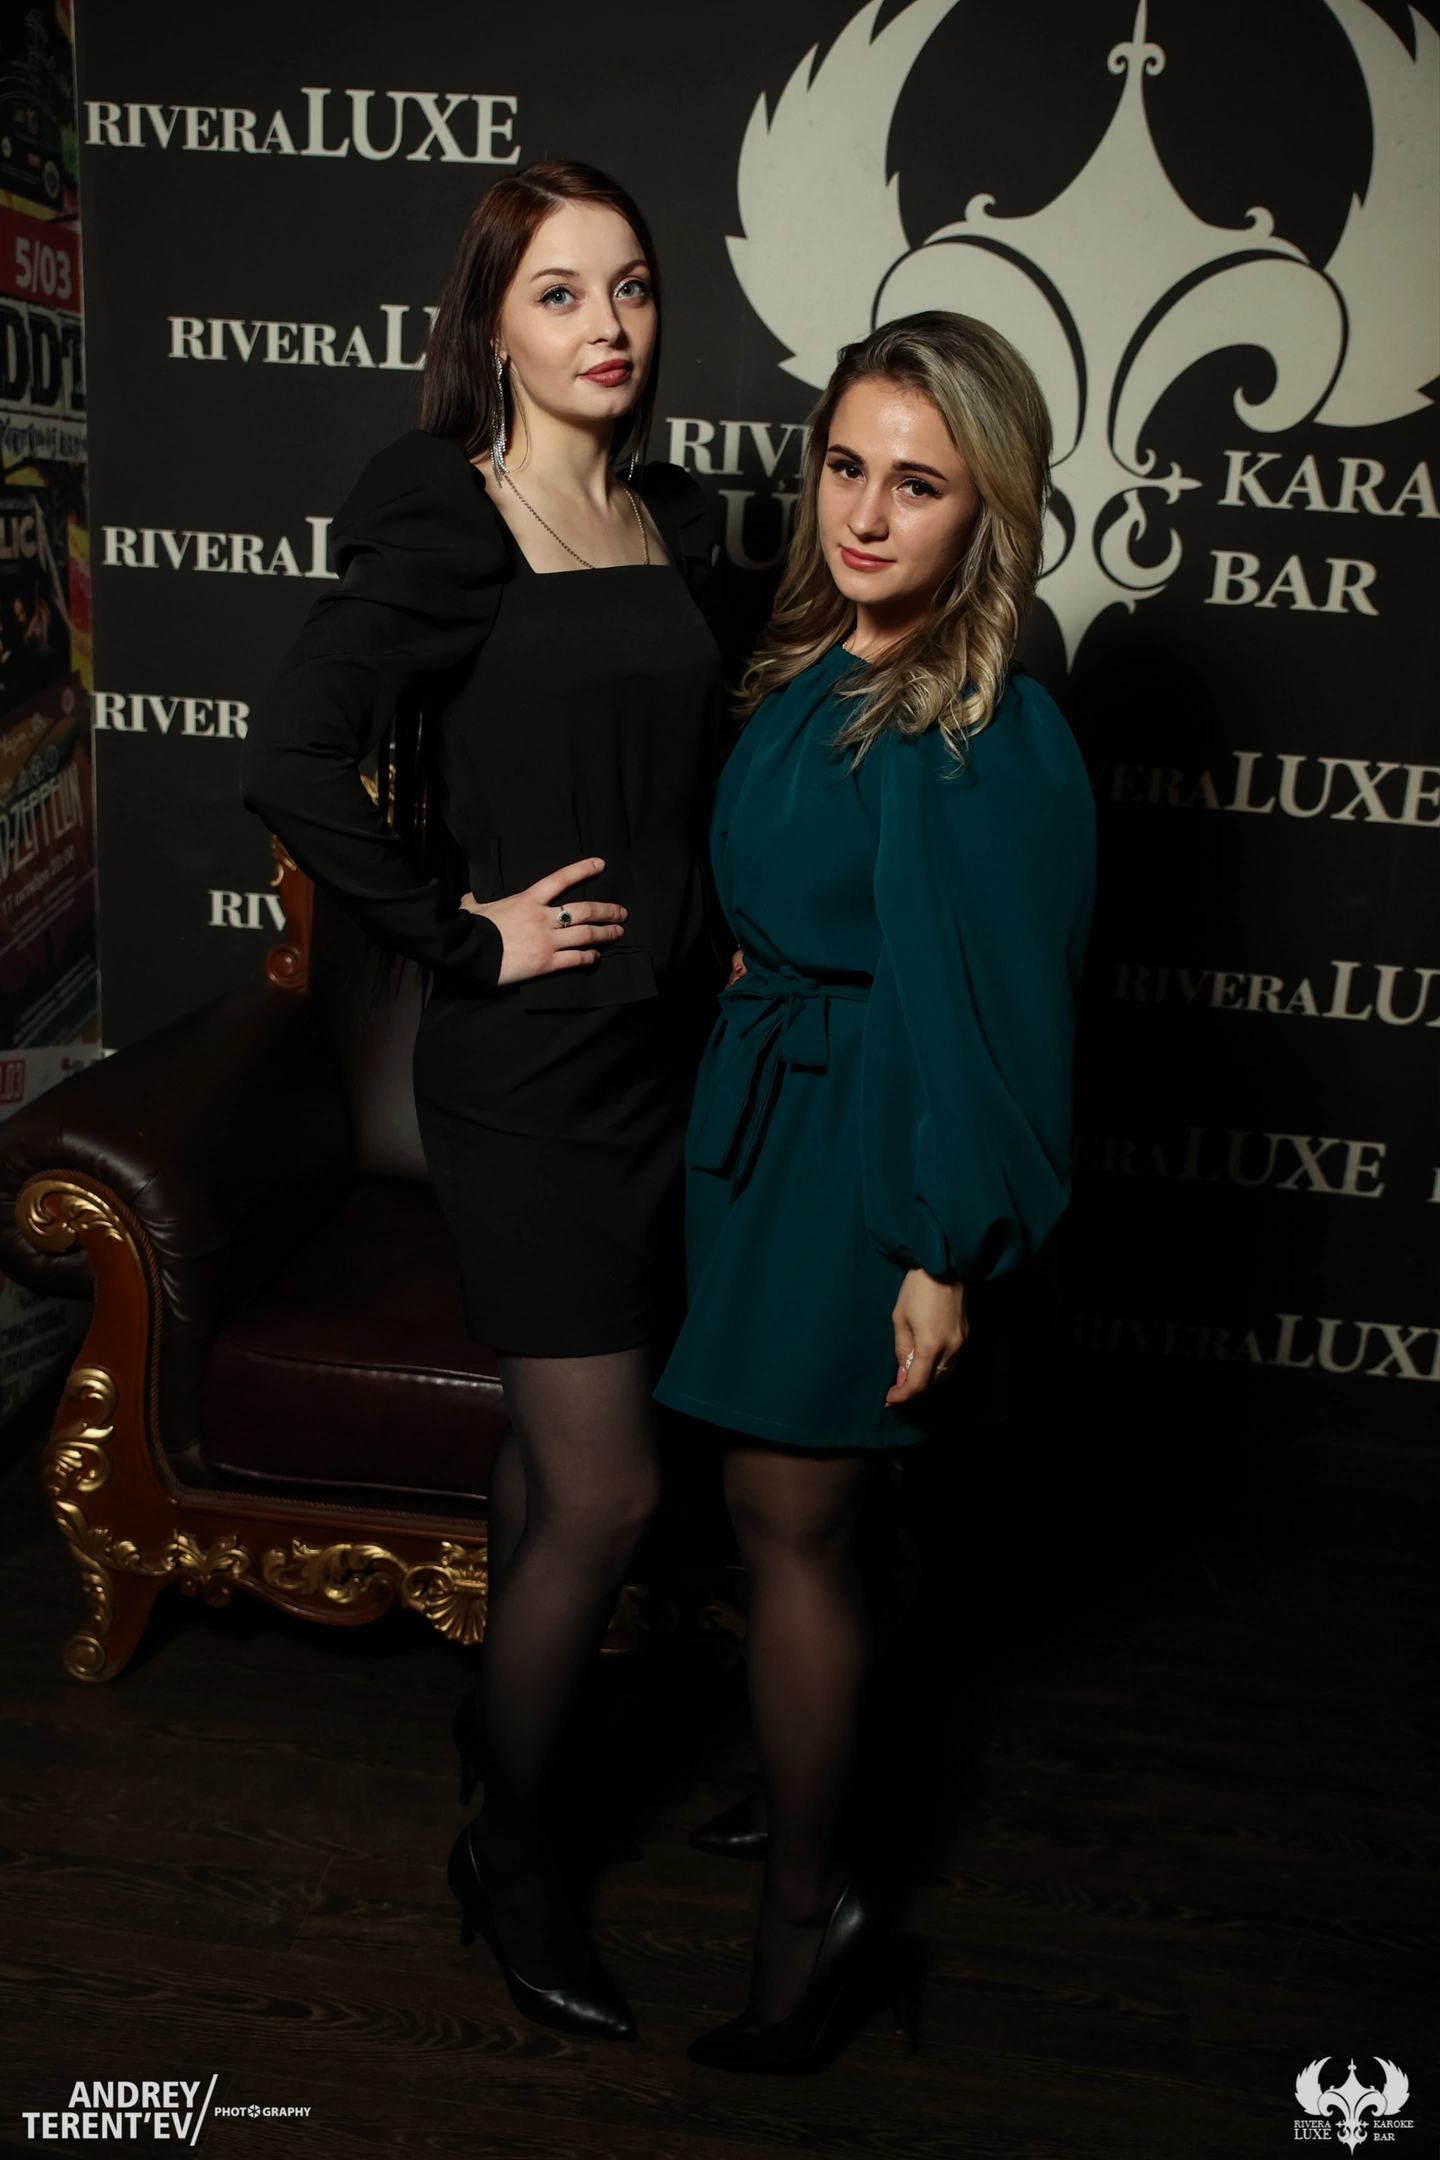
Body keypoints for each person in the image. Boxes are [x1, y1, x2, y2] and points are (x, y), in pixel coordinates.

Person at [243, 161, 721, 2045]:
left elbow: (685, 785)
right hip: (528, 1081)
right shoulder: (450, 508)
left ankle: (494, 1733)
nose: (608, 325)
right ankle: (510, 1848)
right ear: (493, 328)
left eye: (634, 287)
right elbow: (294, 755)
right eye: (561, 293)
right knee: (613, 1482)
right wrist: (459, 930)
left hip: (663, 1062)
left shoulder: (670, 516)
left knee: (554, 1447)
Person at [654, 311, 1096, 2071]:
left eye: (919, 486)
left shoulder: (978, 729)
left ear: (987, 510)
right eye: (847, 467)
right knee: (796, 1523)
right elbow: (820, 908)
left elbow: (978, 1015)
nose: (864, 513)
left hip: (869, 1159)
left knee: (795, 1531)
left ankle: (813, 1921)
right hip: (779, 1129)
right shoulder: (816, 664)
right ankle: (807, 1794)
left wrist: (940, 1252)